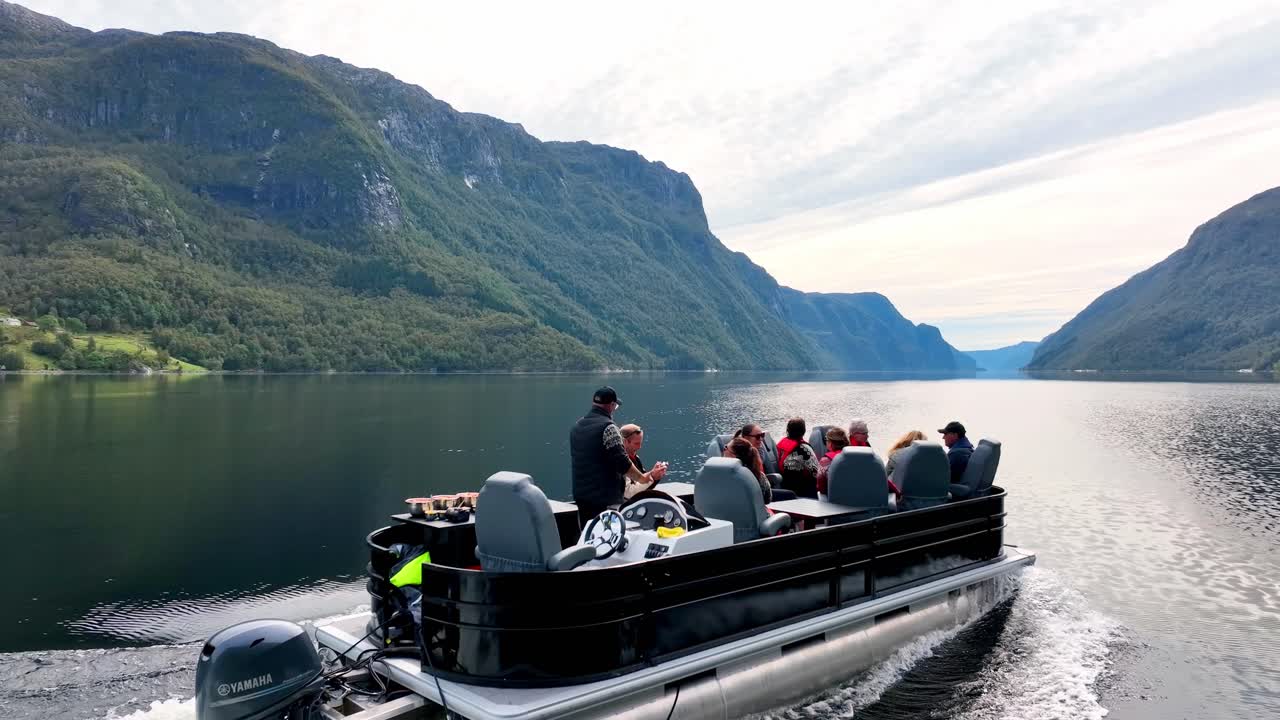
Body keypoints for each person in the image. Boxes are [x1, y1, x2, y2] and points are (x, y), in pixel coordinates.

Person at [569, 386, 655, 528]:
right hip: (605, 500)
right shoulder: (608, 428)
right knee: (608, 535)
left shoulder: (577, 426)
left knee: (589, 533)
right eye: (615, 406)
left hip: (581, 496)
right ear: (612, 405)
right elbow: (622, 463)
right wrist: (642, 478)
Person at [619, 423, 668, 498]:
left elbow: (642, 483)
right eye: (636, 443)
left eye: (640, 443)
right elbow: (628, 493)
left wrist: (655, 476)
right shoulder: (620, 462)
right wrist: (652, 476)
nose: (639, 447)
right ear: (625, 442)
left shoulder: (635, 458)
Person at [777, 417, 820, 498]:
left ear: (788, 430)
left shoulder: (781, 444)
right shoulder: (804, 448)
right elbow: (816, 472)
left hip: (784, 484)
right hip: (801, 489)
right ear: (803, 431)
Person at [726, 436, 772, 504]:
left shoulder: (718, 475)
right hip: (755, 514)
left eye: (726, 448)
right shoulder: (758, 476)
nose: (724, 449)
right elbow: (767, 500)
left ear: (734, 456)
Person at [816, 427, 849, 497]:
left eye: (827, 440)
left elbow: (820, 486)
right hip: (853, 497)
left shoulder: (825, 461)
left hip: (834, 500)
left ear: (830, 443)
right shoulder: (853, 457)